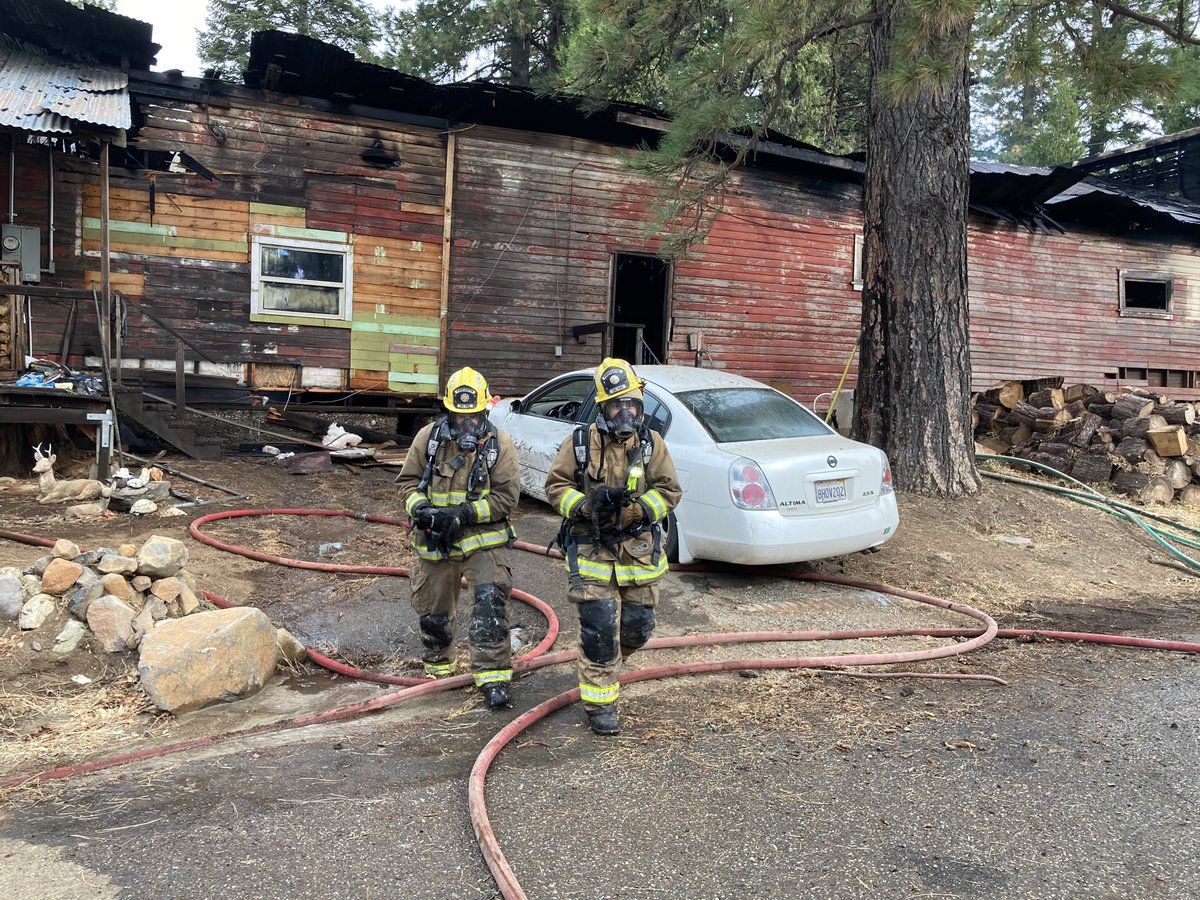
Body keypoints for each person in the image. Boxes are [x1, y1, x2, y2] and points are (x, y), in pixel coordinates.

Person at [545, 357, 682, 735]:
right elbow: (555, 487)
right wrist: (585, 506)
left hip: (637, 551)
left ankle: (605, 663)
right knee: (599, 629)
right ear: (604, 407)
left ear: (640, 406)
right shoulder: (578, 443)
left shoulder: (652, 444)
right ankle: (600, 705)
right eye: (617, 403)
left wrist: (638, 510)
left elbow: (670, 491)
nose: (626, 410)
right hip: (591, 550)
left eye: (632, 403)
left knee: (638, 627)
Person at [397, 366, 520, 708]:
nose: (467, 426)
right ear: (448, 411)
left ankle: (494, 679)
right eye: (459, 417)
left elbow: (507, 498)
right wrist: (422, 510)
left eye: (473, 417)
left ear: (485, 411)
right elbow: (407, 484)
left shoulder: (499, 445)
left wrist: (466, 514)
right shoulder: (428, 439)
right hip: (435, 541)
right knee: (434, 614)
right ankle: (439, 672)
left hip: (483, 542)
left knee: (489, 609)